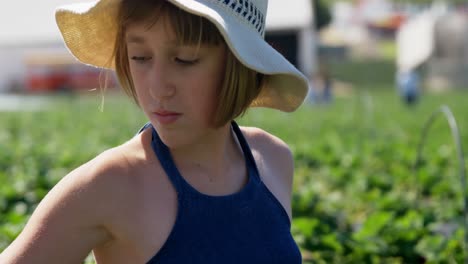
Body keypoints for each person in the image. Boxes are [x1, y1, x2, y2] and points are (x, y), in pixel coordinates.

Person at [0, 0, 308, 263]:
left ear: (241, 64)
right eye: (140, 57)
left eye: (185, 59)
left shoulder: (273, 158)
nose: (158, 88)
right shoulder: (108, 186)